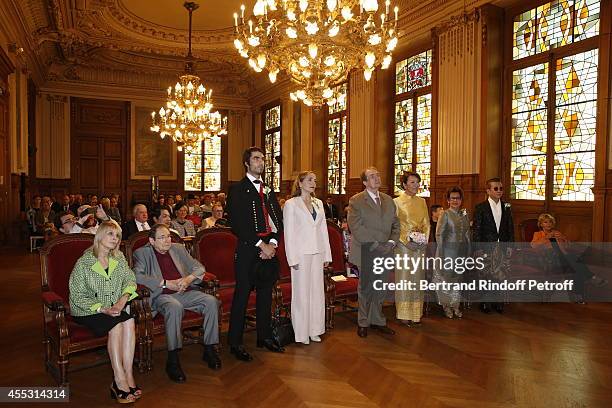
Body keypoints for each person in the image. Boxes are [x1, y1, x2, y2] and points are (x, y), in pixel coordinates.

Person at [133, 224, 221, 382]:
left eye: (168, 236)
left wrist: (189, 279)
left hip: (184, 292)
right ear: (151, 241)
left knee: (211, 301)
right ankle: (173, 359)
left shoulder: (178, 248)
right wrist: (166, 283)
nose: (167, 240)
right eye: (162, 237)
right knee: (174, 307)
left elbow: (199, 268)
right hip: (162, 296)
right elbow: (137, 277)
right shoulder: (142, 253)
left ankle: (209, 349)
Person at [68, 221, 140, 403]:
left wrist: (123, 300)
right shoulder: (84, 262)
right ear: (99, 236)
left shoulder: (119, 258)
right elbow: (76, 295)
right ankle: (118, 379)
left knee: (129, 321)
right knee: (116, 326)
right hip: (88, 310)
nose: (115, 239)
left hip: (114, 307)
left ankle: (128, 374)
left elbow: (130, 280)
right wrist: (101, 308)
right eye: (110, 234)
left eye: (117, 236)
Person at [226, 147, 284, 361]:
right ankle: (235, 342)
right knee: (241, 296)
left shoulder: (269, 189)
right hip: (249, 249)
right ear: (247, 164)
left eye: (263, 159)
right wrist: (262, 245)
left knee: (266, 294)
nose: (261, 162)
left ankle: (265, 336)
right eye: (257, 159)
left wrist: (274, 244)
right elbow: (237, 224)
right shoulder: (237, 189)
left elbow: (278, 219)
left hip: (269, 250)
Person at [348, 167, 400, 338]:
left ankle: (377, 320)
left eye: (378, 175)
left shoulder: (388, 200)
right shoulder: (356, 201)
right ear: (364, 182)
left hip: (386, 250)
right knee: (366, 289)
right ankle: (363, 321)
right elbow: (356, 227)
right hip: (367, 250)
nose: (377, 178)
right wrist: (376, 245)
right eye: (372, 176)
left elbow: (395, 224)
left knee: (381, 287)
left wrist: (392, 242)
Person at [283, 171, 332, 345]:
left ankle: (315, 329)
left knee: (317, 292)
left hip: (317, 251)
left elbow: (323, 231)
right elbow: (288, 234)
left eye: (315, 180)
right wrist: (292, 258)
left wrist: (327, 254)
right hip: (301, 254)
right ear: (300, 183)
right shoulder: (291, 204)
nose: (313, 183)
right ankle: (302, 333)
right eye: (310, 180)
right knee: (302, 293)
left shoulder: (318, 203)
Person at [531, 213, 606, 303]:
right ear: (541, 224)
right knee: (576, 261)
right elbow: (533, 245)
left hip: (563, 257)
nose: (548, 224)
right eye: (545, 222)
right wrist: (547, 237)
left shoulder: (557, 233)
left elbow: (568, 245)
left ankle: (579, 297)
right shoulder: (538, 234)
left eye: (550, 222)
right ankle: (591, 278)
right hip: (550, 258)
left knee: (577, 269)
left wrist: (563, 238)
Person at [393, 171, 430, 327]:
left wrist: (423, 239)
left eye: (417, 182)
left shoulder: (422, 202)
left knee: (417, 279)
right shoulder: (396, 202)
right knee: (404, 279)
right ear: (404, 184)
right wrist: (406, 240)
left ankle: (416, 314)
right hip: (404, 247)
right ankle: (403, 314)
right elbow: (395, 225)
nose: (416, 185)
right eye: (412, 182)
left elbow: (427, 223)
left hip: (419, 247)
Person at [472, 177, 514, 314]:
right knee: (485, 275)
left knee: (501, 274)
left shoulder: (507, 206)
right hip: (486, 246)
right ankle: (485, 302)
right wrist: (478, 248)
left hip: (502, 245)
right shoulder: (480, 207)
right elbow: (477, 229)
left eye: (501, 188)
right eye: (495, 188)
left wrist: (510, 246)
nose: (499, 191)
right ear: (488, 190)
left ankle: (498, 302)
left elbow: (510, 227)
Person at [434, 186, 471, 318]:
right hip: (447, 252)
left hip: (461, 252)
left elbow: (467, 233)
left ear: (461, 200)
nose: (455, 200)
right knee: (447, 279)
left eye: (458, 198)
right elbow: (439, 235)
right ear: (448, 200)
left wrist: (469, 251)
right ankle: (446, 306)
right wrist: (442, 253)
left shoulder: (464, 214)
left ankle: (456, 305)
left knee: (458, 280)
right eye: (452, 198)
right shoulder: (445, 214)